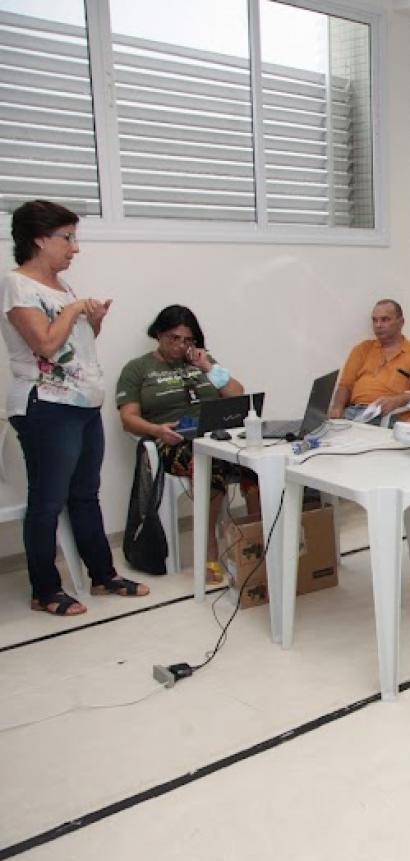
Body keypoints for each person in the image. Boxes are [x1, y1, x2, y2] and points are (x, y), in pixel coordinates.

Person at [2, 200, 149, 616]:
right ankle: (44, 589)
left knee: (85, 495)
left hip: (83, 403)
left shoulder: (61, 287)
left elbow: (75, 346)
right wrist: (72, 310)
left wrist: (94, 319)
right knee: (48, 501)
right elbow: (45, 345)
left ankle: (104, 575)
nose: (75, 248)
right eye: (67, 238)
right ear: (38, 238)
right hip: (45, 405)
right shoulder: (17, 285)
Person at [116, 305, 260, 584]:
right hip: (172, 440)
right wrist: (156, 429)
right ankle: (210, 552)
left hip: (214, 434)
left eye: (188, 340)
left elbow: (237, 394)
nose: (181, 346)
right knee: (211, 466)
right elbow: (128, 418)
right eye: (174, 338)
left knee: (254, 461)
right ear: (158, 334)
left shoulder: (202, 362)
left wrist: (206, 366)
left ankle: (254, 539)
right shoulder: (138, 369)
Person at [327, 299, 410, 422]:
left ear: (401, 322)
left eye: (385, 319)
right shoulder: (362, 349)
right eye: (374, 320)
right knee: (307, 430)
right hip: (354, 412)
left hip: (389, 415)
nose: (378, 325)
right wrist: (337, 407)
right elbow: (345, 386)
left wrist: (397, 400)